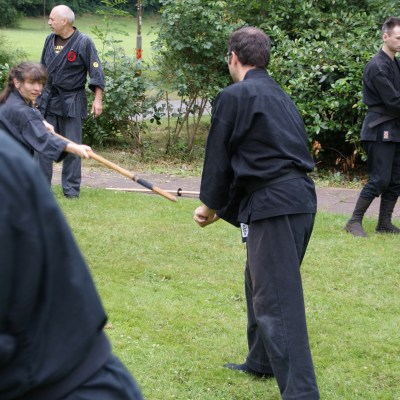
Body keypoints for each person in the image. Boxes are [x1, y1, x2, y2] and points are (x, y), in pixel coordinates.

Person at [193, 27, 320, 400]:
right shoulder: (280, 95)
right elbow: (256, 157)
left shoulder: (233, 96)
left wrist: (210, 204)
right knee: (259, 283)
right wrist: (224, 207)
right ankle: (261, 360)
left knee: (277, 299)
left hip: (275, 204)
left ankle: (301, 393)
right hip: (298, 201)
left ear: (233, 57)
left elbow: (220, 157)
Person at [0, 130, 143, 400]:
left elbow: (34, 127)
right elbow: (31, 126)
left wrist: (70, 146)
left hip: (67, 383)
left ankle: (71, 189)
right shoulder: (14, 120)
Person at [35, 4, 105, 199]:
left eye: (52, 19)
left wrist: (98, 99)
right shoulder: (49, 39)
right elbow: (41, 69)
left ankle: (71, 190)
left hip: (72, 101)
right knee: (43, 145)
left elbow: (96, 71)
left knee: (73, 147)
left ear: (64, 21)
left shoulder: (83, 42)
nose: (49, 22)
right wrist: (36, 96)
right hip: (48, 99)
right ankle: (40, 189)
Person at [344, 16, 400, 237]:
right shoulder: (376, 66)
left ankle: (384, 223)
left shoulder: (395, 64)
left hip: (395, 129)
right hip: (379, 129)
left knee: (396, 179)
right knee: (380, 178)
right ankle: (354, 221)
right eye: (398, 38)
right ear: (385, 36)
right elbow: (394, 101)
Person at [0, 61, 92, 165]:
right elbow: (42, 138)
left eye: (40, 83)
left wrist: (42, 121)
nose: (37, 88)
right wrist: (74, 148)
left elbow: (32, 110)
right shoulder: (20, 110)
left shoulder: (10, 98)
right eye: (31, 83)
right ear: (17, 82)